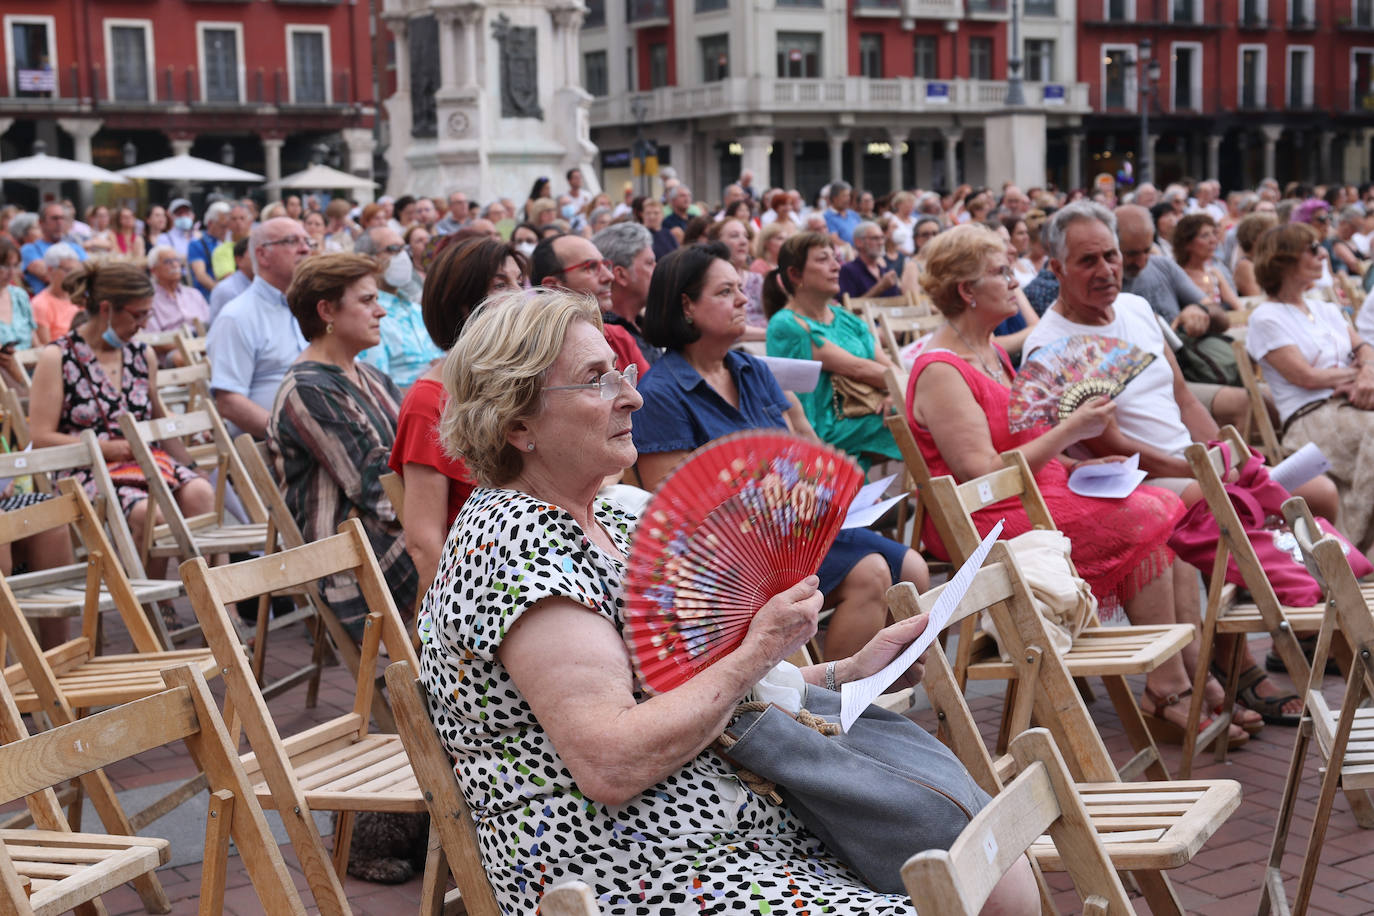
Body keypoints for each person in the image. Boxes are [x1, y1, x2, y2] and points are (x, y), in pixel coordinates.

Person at [419, 286, 1035, 916]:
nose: (632, 395)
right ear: (517, 423)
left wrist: (845, 672)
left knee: (993, 874)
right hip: (631, 866)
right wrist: (763, 647)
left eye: (621, 371)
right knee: (961, 890)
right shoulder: (515, 552)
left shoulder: (610, 518)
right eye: (596, 380)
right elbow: (610, 762)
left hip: (733, 821)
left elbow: (690, 691)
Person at [910, 223, 1253, 745]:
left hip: (1033, 493)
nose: (1015, 283)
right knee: (1149, 514)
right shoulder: (941, 369)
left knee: (1161, 505)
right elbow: (982, 470)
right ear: (967, 291)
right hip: (985, 517)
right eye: (1002, 273)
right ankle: (1172, 686)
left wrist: (1077, 464)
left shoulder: (991, 352)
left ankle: (1186, 676)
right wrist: (1072, 432)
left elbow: (1018, 446)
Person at [1023, 202, 1329, 724]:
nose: (1106, 271)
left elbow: (1184, 398)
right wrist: (1196, 470)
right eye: (1087, 261)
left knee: (1317, 493)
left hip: (1185, 464)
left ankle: (1286, 630)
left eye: (1112, 256)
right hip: (1131, 477)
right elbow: (1101, 447)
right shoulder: (1049, 346)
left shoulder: (1138, 309)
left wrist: (1221, 455)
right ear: (1056, 270)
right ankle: (1236, 664)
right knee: (1211, 507)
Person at [634, 242, 930, 659]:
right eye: (724, 292)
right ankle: (833, 702)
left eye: (740, 288)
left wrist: (825, 489)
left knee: (913, 568)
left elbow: (807, 447)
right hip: (734, 555)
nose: (743, 300)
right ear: (686, 306)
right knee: (872, 574)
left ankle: (881, 682)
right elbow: (677, 506)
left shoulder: (750, 370)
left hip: (793, 530)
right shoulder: (662, 393)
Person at [28, 260, 214, 570]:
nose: (144, 324)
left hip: (143, 462)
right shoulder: (58, 356)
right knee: (147, 513)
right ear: (106, 308)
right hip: (87, 468)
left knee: (200, 493)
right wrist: (103, 448)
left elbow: (159, 425)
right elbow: (41, 437)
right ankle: (156, 605)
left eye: (148, 314)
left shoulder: (142, 355)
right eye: (138, 315)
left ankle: (210, 603)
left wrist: (192, 466)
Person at [267, 253, 415, 635]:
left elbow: (412, 455)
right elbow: (377, 488)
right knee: (483, 565)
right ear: (327, 310)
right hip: (351, 562)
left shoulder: (371, 375)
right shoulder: (308, 388)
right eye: (367, 301)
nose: (381, 311)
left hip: (390, 533)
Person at [389, 237, 526, 599]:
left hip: (534, 556)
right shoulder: (429, 402)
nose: (521, 294)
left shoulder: (518, 380)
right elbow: (425, 545)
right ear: (464, 305)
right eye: (501, 285)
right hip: (485, 586)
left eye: (519, 281)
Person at [1246, 222, 1374, 556]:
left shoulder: (1325, 308)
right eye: (1312, 249)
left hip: (1350, 408)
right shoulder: (1266, 317)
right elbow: (1305, 377)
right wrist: (1353, 376)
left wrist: (1366, 375)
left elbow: (1364, 349)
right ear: (1284, 260)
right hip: (1310, 419)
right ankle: (1350, 548)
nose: (1322, 254)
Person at [764, 232, 900, 469]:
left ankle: (939, 496)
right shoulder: (787, 324)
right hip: (822, 426)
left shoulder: (847, 319)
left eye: (836, 259)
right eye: (823, 259)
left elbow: (889, 367)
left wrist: (895, 393)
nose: (836, 266)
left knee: (920, 416)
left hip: (862, 414)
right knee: (919, 422)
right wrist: (901, 386)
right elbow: (859, 369)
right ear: (795, 274)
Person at [206, 218, 311, 438]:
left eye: (307, 241)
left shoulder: (316, 307)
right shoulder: (237, 316)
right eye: (292, 241)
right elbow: (229, 402)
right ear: (262, 255)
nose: (305, 249)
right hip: (273, 449)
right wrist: (294, 438)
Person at [532, 234, 649, 378]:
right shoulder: (534, 357)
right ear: (553, 287)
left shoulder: (619, 338)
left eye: (605, 265)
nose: (609, 276)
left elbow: (648, 398)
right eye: (591, 267)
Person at [354, 227, 444, 390]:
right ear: (368, 259)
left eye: (404, 249)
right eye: (393, 249)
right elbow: (379, 391)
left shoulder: (417, 309)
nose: (402, 256)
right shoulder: (368, 315)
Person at [592, 222, 661, 363]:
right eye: (649, 263)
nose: (658, 269)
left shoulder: (644, 322)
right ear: (621, 275)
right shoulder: (604, 338)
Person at [703, 217, 768, 339]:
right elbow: (721, 327)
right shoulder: (709, 281)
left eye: (746, 236)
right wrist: (770, 335)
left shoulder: (757, 279)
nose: (743, 241)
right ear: (717, 243)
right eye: (734, 236)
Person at [1173, 214, 1241, 311]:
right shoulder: (1178, 276)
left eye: (1214, 233)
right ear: (1187, 243)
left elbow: (1238, 307)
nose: (1213, 240)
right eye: (1205, 236)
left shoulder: (1214, 273)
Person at [22, 202, 87, 293]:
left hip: (79, 302)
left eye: (62, 218)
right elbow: (49, 276)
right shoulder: (30, 249)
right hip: (47, 304)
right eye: (55, 218)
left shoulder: (75, 247)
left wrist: (62, 269)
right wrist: (78, 269)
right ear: (41, 222)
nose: (60, 222)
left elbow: (89, 272)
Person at [0, 239, 37, 389]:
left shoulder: (20, 296)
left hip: (28, 372)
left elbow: (35, 341)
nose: (11, 272)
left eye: (15, 266)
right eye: (3, 266)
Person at [29, 243, 83, 344]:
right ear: (50, 270)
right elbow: (46, 346)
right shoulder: (40, 304)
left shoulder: (79, 298)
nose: (72, 275)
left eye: (75, 271)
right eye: (67, 270)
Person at [839, 221, 903, 301]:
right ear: (858, 242)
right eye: (875, 238)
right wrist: (880, 287)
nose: (881, 242)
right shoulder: (848, 271)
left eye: (882, 238)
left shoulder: (886, 271)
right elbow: (847, 309)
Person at [209, 237, 254, 325]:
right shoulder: (226, 290)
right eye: (254, 253)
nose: (261, 258)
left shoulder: (269, 285)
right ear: (239, 260)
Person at [1233, 211, 1278, 297]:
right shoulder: (1246, 266)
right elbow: (1256, 299)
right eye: (1271, 232)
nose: (1276, 237)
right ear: (1254, 237)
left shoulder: (1266, 262)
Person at [156, 198, 197, 265]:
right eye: (179, 213)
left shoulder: (198, 237)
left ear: (193, 215)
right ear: (171, 216)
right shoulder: (164, 238)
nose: (184, 216)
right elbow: (165, 260)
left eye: (186, 213)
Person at [823, 180, 862, 245]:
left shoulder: (853, 214)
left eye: (848, 195)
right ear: (834, 198)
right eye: (844, 196)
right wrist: (851, 250)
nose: (848, 199)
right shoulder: (827, 216)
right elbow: (834, 239)